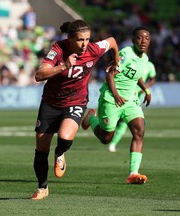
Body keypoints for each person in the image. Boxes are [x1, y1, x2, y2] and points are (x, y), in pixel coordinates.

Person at [31, 19, 120, 200]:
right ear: (70, 38)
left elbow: (111, 42)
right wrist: (64, 66)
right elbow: (39, 75)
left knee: (64, 138)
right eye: (80, 40)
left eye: (87, 39)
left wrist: (115, 61)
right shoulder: (58, 49)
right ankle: (42, 188)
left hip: (76, 102)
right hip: (50, 103)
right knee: (41, 150)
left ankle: (60, 153)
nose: (84, 44)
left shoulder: (93, 49)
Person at [82, 26, 152, 184]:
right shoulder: (126, 54)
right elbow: (109, 74)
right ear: (134, 40)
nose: (143, 41)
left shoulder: (145, 59)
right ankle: (91, 118)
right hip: (112, 99)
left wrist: (146, 89)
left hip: (131, 101)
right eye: (140, 38)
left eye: (147, 38)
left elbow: (137, 76)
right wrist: (116, 95)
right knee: (106, 138)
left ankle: (133, 173)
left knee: (139, 131)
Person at [108, 60, 156, 152]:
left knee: (124, 121)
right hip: (125, 93)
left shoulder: (150, 65)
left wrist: (146, 88)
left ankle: (113, 144)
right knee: (118, 122)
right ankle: (112, 140)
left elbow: (153, 79)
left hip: (136, 96)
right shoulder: (131, 61)